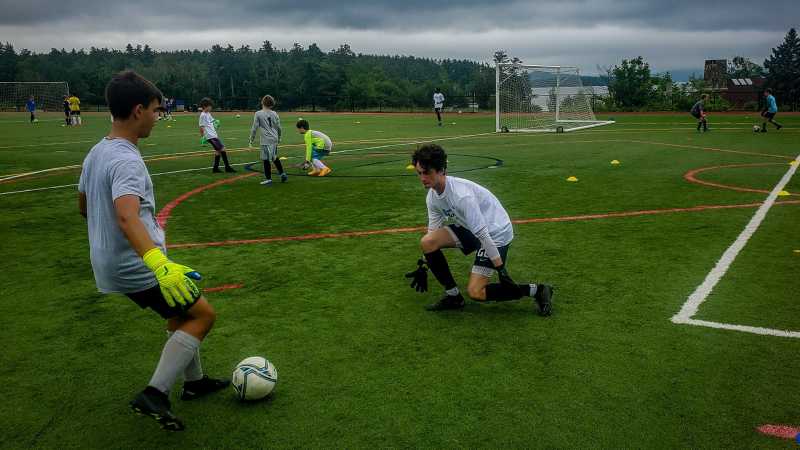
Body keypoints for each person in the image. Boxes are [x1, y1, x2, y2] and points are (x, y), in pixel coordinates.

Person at [78, 71, 228, 431]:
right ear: (137, 110)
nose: (158, 117)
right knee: (203, 316)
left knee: (179, 312)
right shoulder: (127, 160)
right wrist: (159, 264)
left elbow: (84, 206)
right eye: (157, 110)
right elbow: (128, 217)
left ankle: (194, 383)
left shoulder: (97, 151)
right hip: (135, 264)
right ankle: (155, 392)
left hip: (112, 261)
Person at [405, 144, 554, 314]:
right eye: (419, 173)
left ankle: (538, 290)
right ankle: (453, 297)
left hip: (495, 232)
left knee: (476, 292)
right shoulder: (432, 197)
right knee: (427, 242)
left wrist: (501, 271)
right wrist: (425, 264)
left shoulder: (462, 196)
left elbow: (483, 235)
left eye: (427, 172)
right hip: (471, 228)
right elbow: (433, 232)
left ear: (441, 170)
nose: (422, 178)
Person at [249, 95, 287, 185]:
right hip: (274, 138)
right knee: (274, 156)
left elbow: (254, 128)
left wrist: (251, 140)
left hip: (266, 139)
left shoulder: (258, 113)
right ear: (272, 104)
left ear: (262, 102)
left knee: (266, 159)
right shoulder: (275, 113)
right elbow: (279, 127)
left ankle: (268, 179)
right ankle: (282, 174)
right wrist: (279, 137)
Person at [198, 98, 235, 173]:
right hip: (210, 136)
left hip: (213, 135)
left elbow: (212, 121)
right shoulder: (202, 115)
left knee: (218, 151)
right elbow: (201, 127)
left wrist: (216, 122)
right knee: (223, 149)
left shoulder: (208, 113)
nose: (211, 107)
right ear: (205, 106)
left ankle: (215, 169)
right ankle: (227, 167)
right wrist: (202, 137)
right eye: (210, 106)